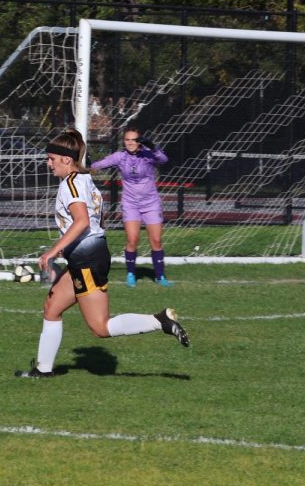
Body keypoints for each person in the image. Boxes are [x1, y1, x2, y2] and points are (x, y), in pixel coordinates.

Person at [15, 129, 189, 379]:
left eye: (52, 158)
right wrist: (72, 245)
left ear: (66, 159)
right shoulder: (84, 179)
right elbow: (97, 218)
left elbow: (82, 221)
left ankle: (159, 320)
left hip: (87, 259)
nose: (48, 163)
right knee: (52, 307)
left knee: (100, 327)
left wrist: (52, 252)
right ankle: (43, 370)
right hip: (87, 255)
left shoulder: (71, 184)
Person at [89, 126, 171, 287]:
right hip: (130, 203)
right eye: (127, 140)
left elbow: (163, 160)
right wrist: (87, 165)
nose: (130, 143)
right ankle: (131, 274)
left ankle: (160, 276)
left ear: (140, 141)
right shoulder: (120, 157)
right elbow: (100, 164)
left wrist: (152, 147)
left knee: (155, 240)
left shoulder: (147, 154)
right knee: (132, 239)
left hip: (151, 203)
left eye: (134, 140)